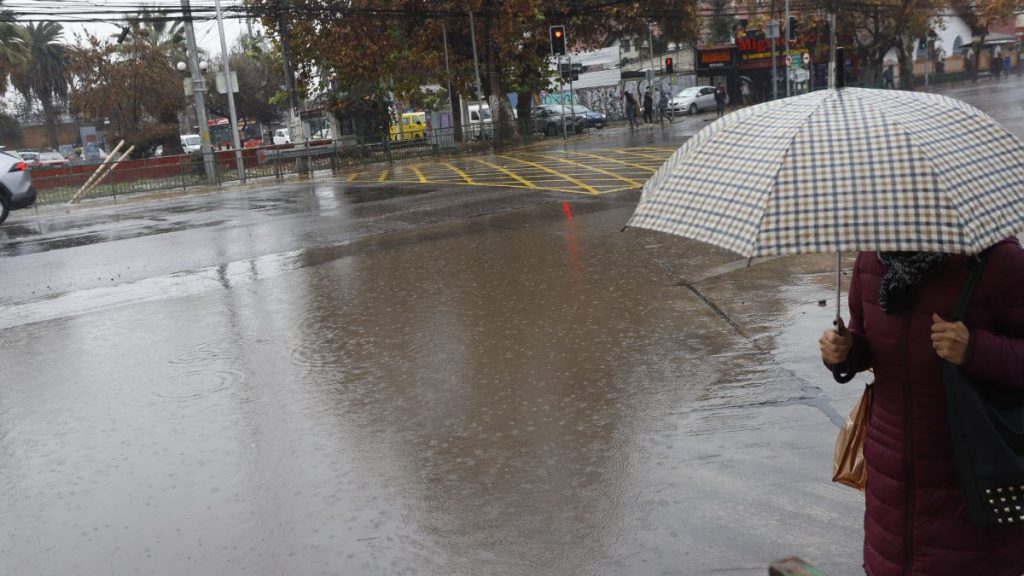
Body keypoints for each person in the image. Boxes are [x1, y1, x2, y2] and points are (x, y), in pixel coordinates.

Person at [820, 239, 1024, 576]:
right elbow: (867, 340)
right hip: (891, 479)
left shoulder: (999, 261)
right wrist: (844, 352)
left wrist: (975, 349)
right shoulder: (871, 262)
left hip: (971, 476)